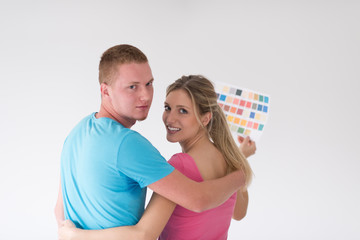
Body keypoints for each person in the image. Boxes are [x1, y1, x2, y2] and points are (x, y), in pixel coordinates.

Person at [54, 45, 248, 231]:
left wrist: (74, 234)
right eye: (132, 87)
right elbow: (147, 232)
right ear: (105, 91)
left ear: (206, 118)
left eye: (149, 84)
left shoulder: (76, 133)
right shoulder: (128, 144)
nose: (146, 96)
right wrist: (240, 174)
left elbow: (59, 212)